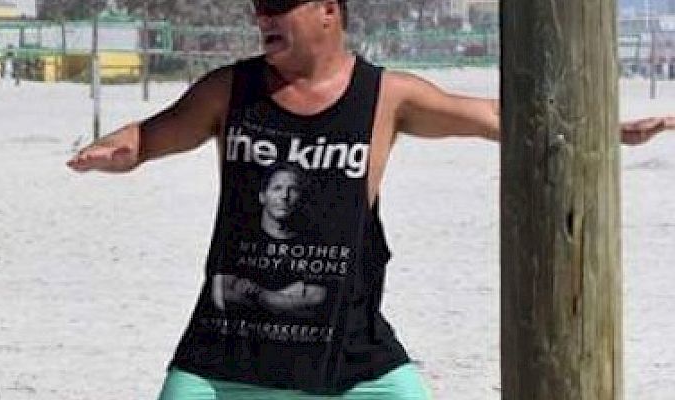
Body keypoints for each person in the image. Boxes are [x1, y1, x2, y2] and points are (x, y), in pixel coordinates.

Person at [65, 0, 668, 398]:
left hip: (347, 350)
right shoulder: (232, 89)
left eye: (279, 5)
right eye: (258, 6)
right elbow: (152, 135)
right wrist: (116, 149)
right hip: (227, 350)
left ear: (328, 11)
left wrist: (603, 128)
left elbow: (490, 115)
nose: (261, 16)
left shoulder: (386, 97)